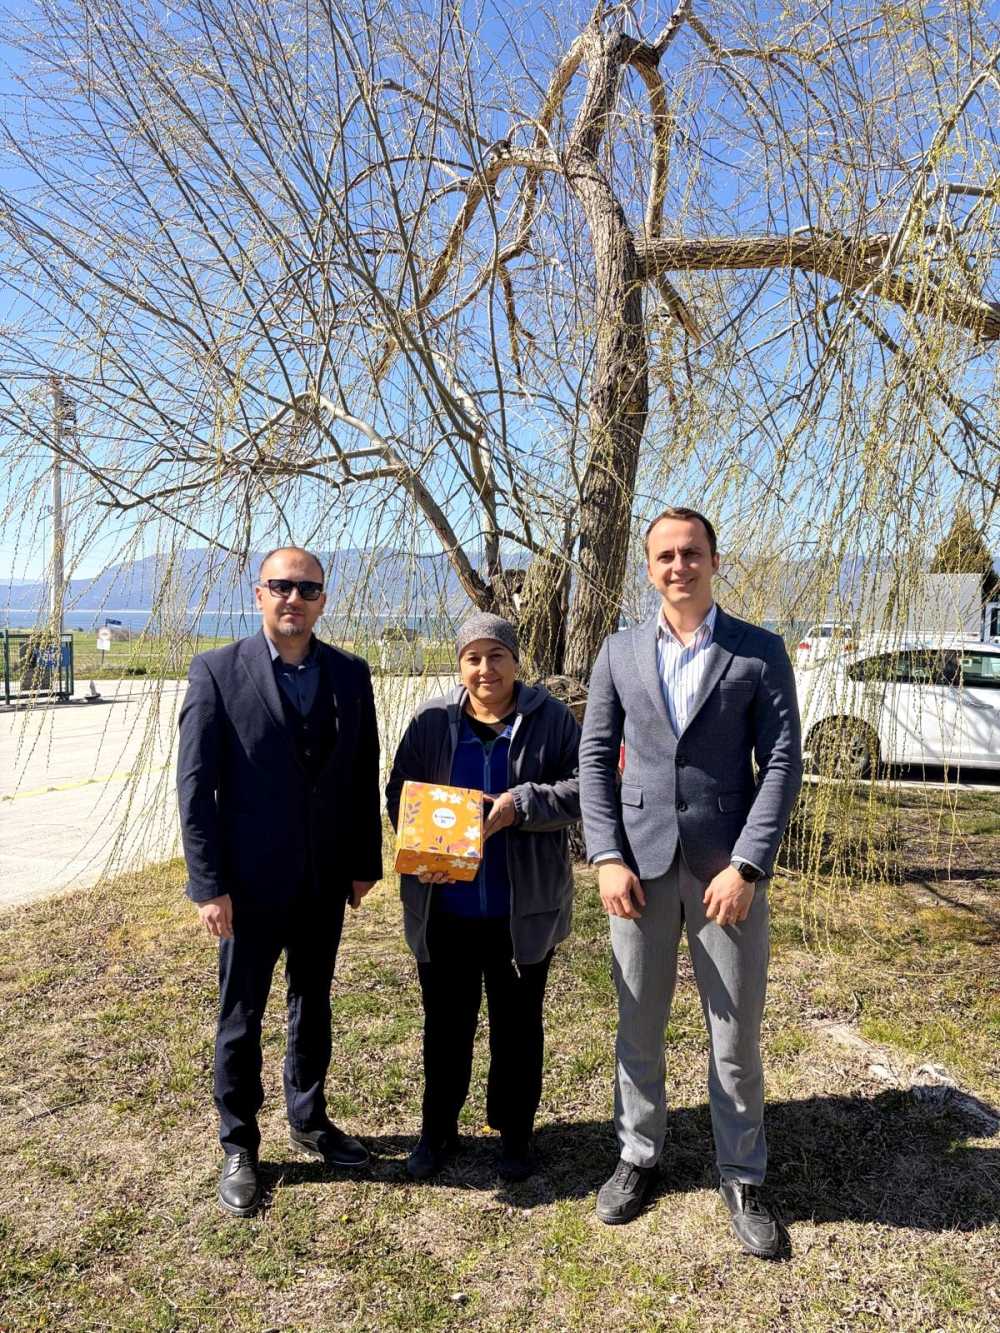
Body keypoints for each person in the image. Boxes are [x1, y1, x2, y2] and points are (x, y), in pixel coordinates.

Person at [579, 508, 802, 1256]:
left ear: (714, 560)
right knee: (637, 1026)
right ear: (649, 567)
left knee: (733, 1034)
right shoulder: (616, 652)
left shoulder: (758, 650)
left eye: (692, 553)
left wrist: (748, 864)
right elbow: (593, 759)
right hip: (636, 870)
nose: (679, 565)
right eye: (665, 556)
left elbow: (780, 763)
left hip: (724, 874)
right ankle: (638, 1155)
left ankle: (742, 1172)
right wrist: (605, 853)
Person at [177, 546, 382, 1217]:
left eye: (307, 588)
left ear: (324, 600)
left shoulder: (350, 674)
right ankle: (239, 1143)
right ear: (258, 594)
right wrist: (209, 885)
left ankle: (310, 1118)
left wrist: (362, 863)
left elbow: (360, 775)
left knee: (312, 1003)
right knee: (241, 1018)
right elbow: (195, 789)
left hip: (323, 881)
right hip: (249, 885)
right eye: (281, 586)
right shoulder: (216, 672)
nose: (293, 597)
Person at [386, 613, 580, 1182]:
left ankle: (515, 1135)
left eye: (496, 655)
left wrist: (519, 805)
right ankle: (437, 1131)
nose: (485, 668)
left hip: (521, 915)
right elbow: (399, 791)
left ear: (516, 660)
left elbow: (582, 791)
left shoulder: (551, 721)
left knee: (518, 1030)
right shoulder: (431, 722)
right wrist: (420, 849)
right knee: (445, 1026)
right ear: (460, 665)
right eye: (473, 657)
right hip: (445, 910)